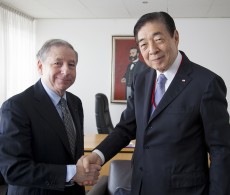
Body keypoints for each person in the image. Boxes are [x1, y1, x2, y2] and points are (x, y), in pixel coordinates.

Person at [81, 12, 230, 195]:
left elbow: (221, 150)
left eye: (158, 39)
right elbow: (126, 128)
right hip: (141, 186)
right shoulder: (141, 79)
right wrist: (98, 154)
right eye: (143, 44)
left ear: (175, 37)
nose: (152, 49)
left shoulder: (206, 83)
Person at [0, 39, 100, 195]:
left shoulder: (75, 102)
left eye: (71, 65)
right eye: (57, 63)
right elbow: (14, 170)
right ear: (40, 66)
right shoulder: (16, 107)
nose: (66, 70)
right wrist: (72, 173)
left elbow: (72, 153)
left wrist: (83, 169)